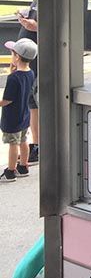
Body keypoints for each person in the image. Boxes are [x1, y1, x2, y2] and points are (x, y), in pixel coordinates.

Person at [1, 38, 38, 182]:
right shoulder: (30, 73)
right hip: (24, 115)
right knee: (23, 141)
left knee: (13, 144)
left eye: (12, 54)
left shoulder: (13, 78)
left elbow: (7, 100)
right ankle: (23, 166)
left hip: (12, 118)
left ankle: (10, 171)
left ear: (17, 57)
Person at [15, 0, 38, 165]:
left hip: (36, 58)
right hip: (29, 57)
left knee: (34, 100)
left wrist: (34, 27)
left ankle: (37, 146)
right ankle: (34, 146)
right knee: (31, 101)